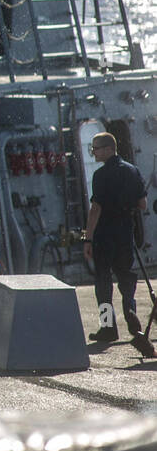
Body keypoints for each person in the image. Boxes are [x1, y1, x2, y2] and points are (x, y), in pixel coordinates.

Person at [83, 132, 148, 343]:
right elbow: (142, 205)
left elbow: (96, 209)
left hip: (104, 235)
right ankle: (131, 314)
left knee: (103, 284)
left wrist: (88, 238)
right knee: (126, 278)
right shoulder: (132, 171)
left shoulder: (100, 175)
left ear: (109, 149)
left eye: (96, 148)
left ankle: (108, 328)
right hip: (125, 232)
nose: (93, 152)